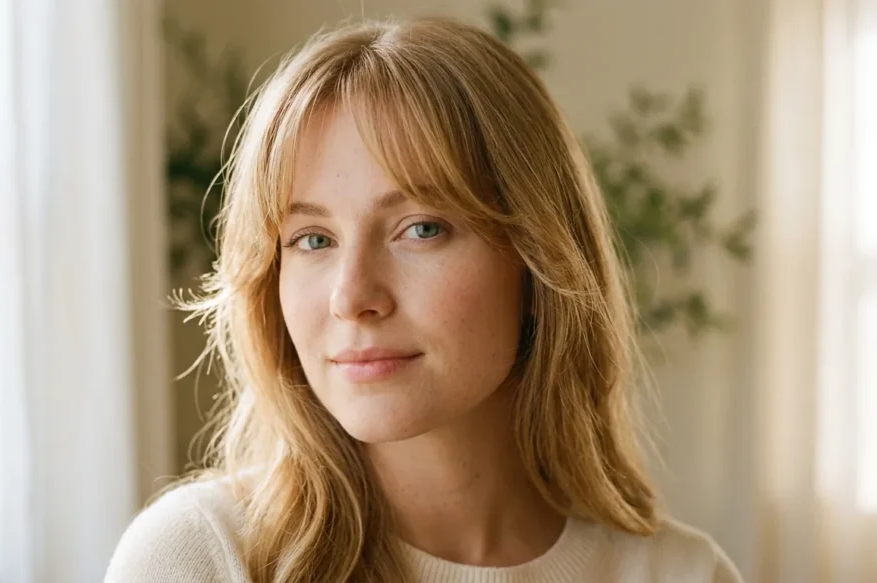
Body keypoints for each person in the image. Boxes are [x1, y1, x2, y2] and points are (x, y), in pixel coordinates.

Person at [105, 17, 743, 583]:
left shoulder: (683, 573)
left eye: (422, 229)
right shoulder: (198, 559)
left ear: (537, 262)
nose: (353, 297)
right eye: (312, 239)